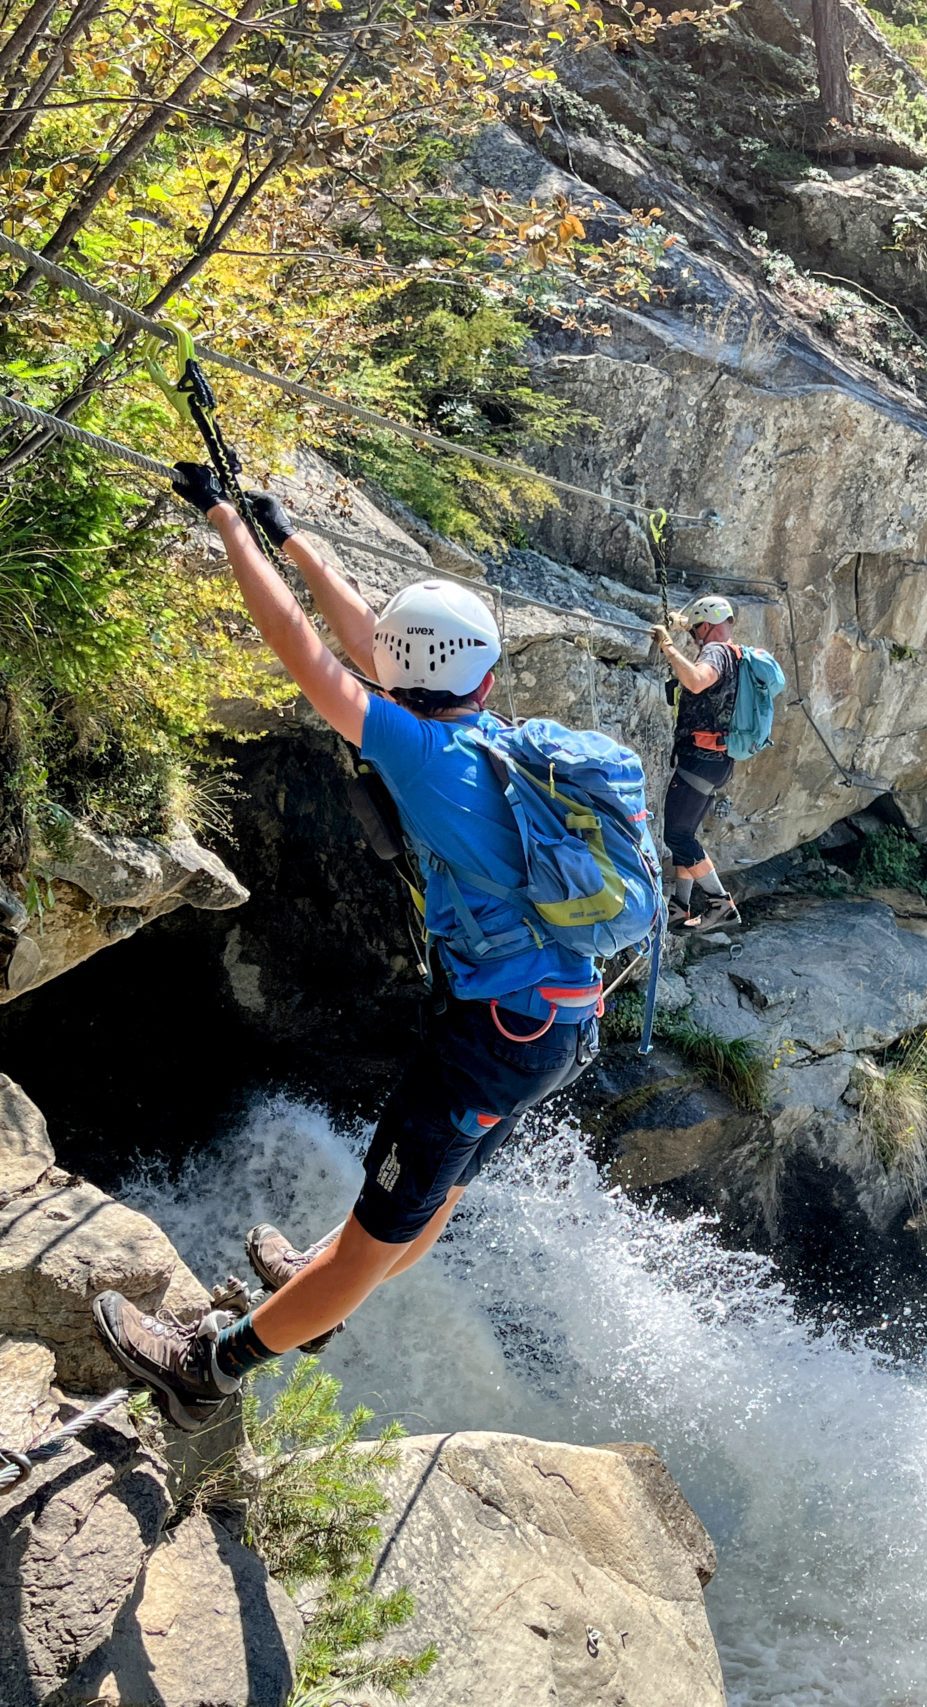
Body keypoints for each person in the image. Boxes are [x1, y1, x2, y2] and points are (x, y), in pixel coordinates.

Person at [93, 467, 602, 1430]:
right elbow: (380, 643)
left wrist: (221, 522)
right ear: (484, 675)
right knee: (429, 1193)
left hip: (491, 1037)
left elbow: (304, 647)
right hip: (556, 1024)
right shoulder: (490, 739)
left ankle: (209, 1368)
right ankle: (311, 1281)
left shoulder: (417, 751)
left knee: (377, 1236)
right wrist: (292, 538)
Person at [650, 594, 742, 931]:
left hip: (699, 760)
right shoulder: (732, 652)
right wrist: (681, 623)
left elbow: (697, 680)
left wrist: (669, 648)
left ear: (709, 626)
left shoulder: (715, 652)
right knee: (684, 834)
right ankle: (680, 905)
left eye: (696, 631)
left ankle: (721, 904)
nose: (694, 637)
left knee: (676, 835)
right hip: (716, 760)